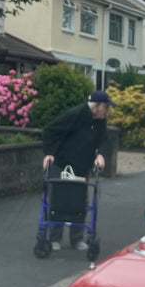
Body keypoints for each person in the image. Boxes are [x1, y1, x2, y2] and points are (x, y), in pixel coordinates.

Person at [42, 89, 114, 250]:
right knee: (58, 201)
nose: (107, 111)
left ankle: (77, 239)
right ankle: (54, 238)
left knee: (80, 203)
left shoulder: (100, 121)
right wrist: (49, 153)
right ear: (97, 106)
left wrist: (101, 154)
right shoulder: (75, 114)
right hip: (62, 163)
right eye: (106, 107)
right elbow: (49, 131)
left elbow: (104, 140)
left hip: (82, 166)